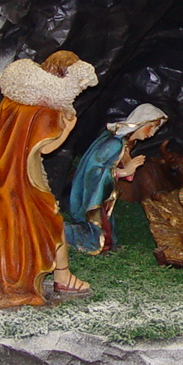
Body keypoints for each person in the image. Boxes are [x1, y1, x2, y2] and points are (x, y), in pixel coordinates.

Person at [0, 50, 97, 308]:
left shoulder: (13, 101)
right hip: (26, 181)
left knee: (5, 226)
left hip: (4, 177)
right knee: (49, 222)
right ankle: (61, 277)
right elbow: (46, 147)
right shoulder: (44, 107)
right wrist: (68, 128)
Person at [65, 103, 168, 254]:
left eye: (155, 129)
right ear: (141, 122)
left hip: (106, 195)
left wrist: (128, 168)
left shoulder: (125, 144)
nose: (152, 133)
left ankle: (106, 245)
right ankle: (62, 232)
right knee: (95, 233)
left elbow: (126, 174)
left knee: (106, 227)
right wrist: (124, 171)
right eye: (151, 127)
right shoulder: (114, 143)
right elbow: (94, 171)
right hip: (93, 193)